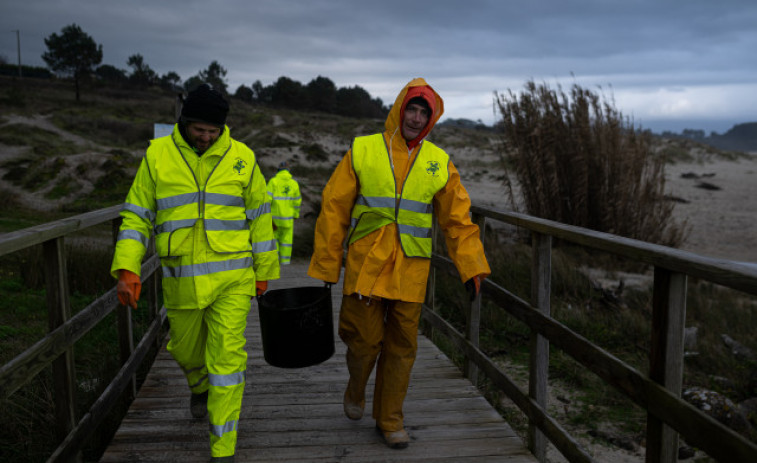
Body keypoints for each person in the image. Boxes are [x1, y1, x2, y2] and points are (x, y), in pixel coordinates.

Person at [307, 77, 491, 449]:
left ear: (431, 119)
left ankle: (390, 419)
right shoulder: (363, 150)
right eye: (412, 108)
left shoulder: (439, 163)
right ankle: (356, 389)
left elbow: (457, 219)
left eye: (424, 112)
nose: (416, 117)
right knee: (363, 342)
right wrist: (327, 266)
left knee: (402, 348)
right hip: (366, 266)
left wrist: (471, 266)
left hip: (410, 271)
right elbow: (333, 208)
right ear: (399, 109)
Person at [111, 83, 279, 463]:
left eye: (213, 131)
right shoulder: (157, 156)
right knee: (185, 351)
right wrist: (127, 266)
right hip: (181, 278)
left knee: (228, 359)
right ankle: (198, 386)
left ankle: (223, 447)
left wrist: (264, 271)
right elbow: (137, 215)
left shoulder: (243, 158)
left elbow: (260, 218)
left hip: (233, 279)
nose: (205, 137)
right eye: (199, 129)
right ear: (184, 122)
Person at [266, 161, 302, 265]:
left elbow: (267, 200)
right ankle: (286, 263)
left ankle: (275, 262)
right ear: (288, 170)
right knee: (286, 242)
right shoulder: (294, 183)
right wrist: (295, 214)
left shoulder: (273, 182)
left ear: (279, 170)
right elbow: (297, 202)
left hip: (274, 219)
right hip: (288, 219)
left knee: (274, 240)